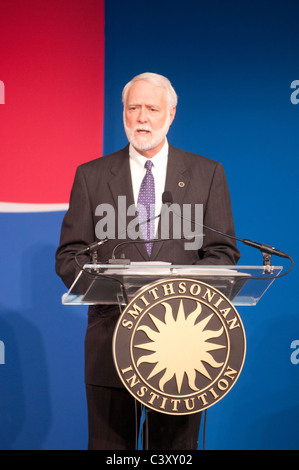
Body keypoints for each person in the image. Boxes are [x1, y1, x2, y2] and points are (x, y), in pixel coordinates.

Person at [55, 72, 240, 450]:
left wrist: (178, 290)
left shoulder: (207, 174)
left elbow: (223, 253)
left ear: (171, 114)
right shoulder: (90, 177)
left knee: (173, 453)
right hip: (111, 343)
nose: (142, 118)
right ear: (122, 112)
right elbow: (69, 257)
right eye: (133, 108)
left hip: (183, 345)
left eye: (152, 109)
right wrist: (111, 284)